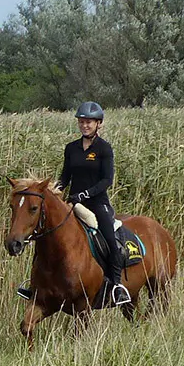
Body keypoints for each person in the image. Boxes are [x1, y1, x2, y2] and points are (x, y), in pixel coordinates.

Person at [58, 101, 131, 307]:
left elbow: (107, 180)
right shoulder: (71, 148)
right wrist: (55, 189)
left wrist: (86, 194)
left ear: (99, 124)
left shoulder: (104, 149)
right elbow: (65, 177)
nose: (84, 125)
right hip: (73, 204)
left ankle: (116, 286)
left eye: (88, 122)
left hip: (97, 204)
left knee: (110, 241)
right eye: (81, 122)